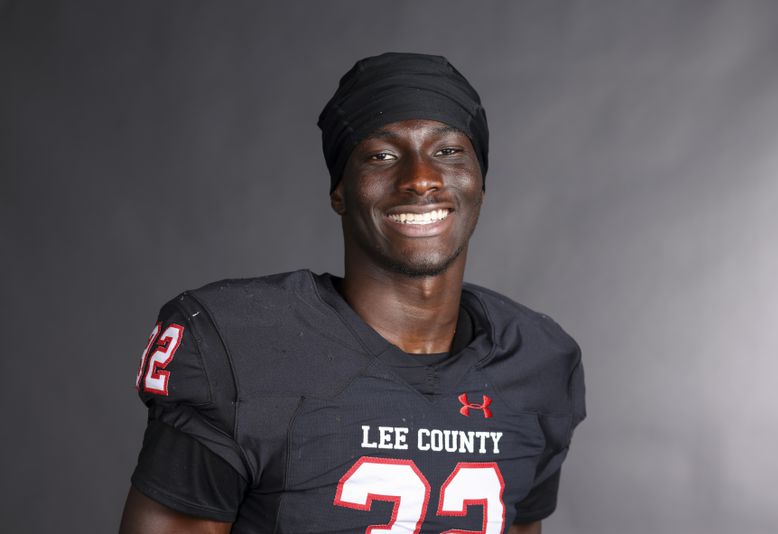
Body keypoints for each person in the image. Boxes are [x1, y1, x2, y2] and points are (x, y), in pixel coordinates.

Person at [120, 52, 585, 534]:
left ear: (481, 182)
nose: (420, 178)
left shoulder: (538, 359)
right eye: (381, 155)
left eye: (448, 151)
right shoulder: (240, 344)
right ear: (340, 190)